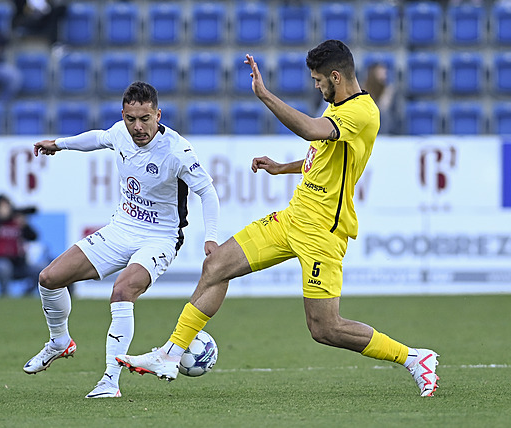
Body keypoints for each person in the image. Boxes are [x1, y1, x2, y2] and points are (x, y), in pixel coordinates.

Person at [117, 40, 440, 397]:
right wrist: (281, 168)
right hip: (292, 218)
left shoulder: (362, 112)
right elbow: (319, 160)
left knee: (324, 328)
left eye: (319, 80)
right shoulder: (338, 108)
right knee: (216, 266)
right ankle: (170, 354)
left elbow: (312, 130)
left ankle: (413, 357)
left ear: (336, 76)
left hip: (323, 232)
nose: (316, 86)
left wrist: (265, 95)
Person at [22, 81, 220, 399]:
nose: (138, 127)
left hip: (160, 238)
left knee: (122, 290)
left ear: (158, 114)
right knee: (49, 278)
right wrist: (59, 144)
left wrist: (210, 238)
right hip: (120, 229)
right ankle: (59, 342)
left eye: (145, 119)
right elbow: (97, 139)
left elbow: (207, 192)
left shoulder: (177, 150)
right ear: (123, 115)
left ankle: (109, 381)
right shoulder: (120, 133)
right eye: (131, 119)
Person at [0, 194, 43, 297]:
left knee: (40, 271)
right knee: (4, 268)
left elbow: (34, 237)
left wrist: (24, 224)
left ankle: (26, 295)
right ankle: (4, 294)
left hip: (19, 263)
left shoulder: (16, 222)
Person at [362, 62, 396, 135]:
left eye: (385, 72)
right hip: (368, 123)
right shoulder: (364, 87)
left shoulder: (388, 89)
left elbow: (383, 107)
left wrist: (387, 92)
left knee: (383, 114)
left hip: (383, 124)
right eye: (381, 72)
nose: (385, 74)